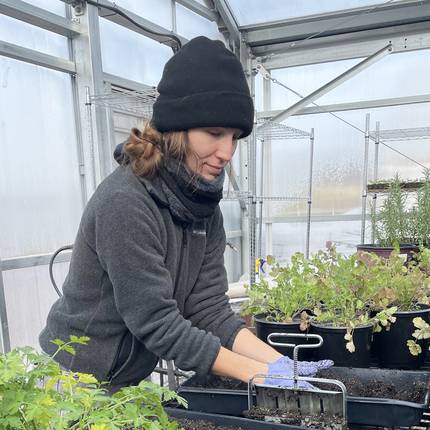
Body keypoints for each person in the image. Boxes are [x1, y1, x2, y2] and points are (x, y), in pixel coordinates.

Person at [39, 36, 331, 394]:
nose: (227, 152)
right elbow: (157, 322)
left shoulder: (203, 208)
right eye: (214, 133)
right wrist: (258, 374)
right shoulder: (125, 202)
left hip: (126, 376)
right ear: (177, 128)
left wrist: (280, 362)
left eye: (236, 137)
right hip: (72, 378)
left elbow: (209, 309)